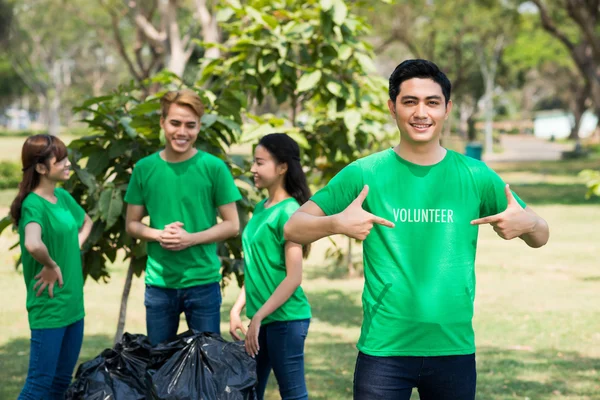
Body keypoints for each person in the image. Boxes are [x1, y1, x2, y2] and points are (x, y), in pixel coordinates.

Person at [283, 59, 550, 400]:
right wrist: (335, 223)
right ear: (392, 107)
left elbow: (541, 235)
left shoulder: (476, 175)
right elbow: (293, 227)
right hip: (384, 349)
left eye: (432, 102)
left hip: (453, 347)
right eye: (410, 102)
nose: (421, 112)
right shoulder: (364, 172)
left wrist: (529, 224)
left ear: (447, 109)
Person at [125, 89, 242, 346]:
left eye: (191, 125)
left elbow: (233, 224)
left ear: (200, 126)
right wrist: (158, 234)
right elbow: (131, 223)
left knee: (207, 366)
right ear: (162, 122)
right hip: (159, 283)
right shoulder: (145, 169)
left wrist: (190, 239)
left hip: (203, 282)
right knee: (159, 365)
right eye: (175, 123)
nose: (182, 132)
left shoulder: (214, 168)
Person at [229, 133, 312, 400]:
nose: (252, 169)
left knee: (293, 394)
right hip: (262, 319)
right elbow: (257, 268)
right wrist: (237, 307)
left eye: (260, 162)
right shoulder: (261, 207)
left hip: (286, 320)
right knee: (249, 392)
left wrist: (258, 317)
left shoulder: (290, 212)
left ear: (283, 167)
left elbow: (294, 277)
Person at [11, 134, 93, 400]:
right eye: (61, 160)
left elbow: (87, 222)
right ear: (41, 167)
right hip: (49, 308)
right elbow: (33, 244)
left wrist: (72, 247)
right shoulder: (33, 205)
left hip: (73, 305)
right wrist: (49, 263)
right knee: (38, 386)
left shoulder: (62, 197)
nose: (69, 164)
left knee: (60, 383)